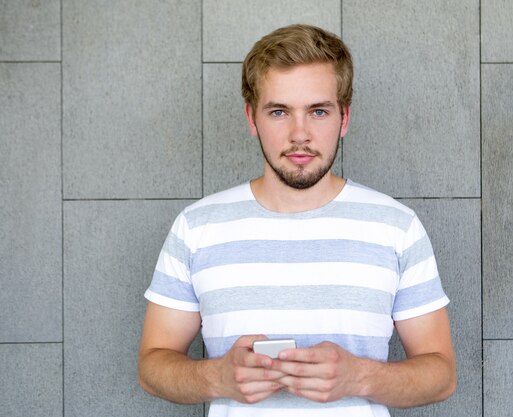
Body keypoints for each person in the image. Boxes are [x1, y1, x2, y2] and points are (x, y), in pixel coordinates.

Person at [138, 24, 456, 417]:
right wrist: (217, 379)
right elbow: (153, 365)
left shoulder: (397, 226)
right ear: (252, 119)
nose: (300, 134)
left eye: (318, 111)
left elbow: (441, 374)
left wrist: (358, 377)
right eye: (279, 111)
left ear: (344, 119)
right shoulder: (197, 227)